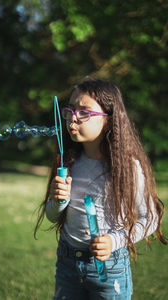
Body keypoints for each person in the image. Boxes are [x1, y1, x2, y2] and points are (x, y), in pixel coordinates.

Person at [34, 79, 167, 300]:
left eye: (84, 112)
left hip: (110, 269)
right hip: (68, 261)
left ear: (109, 119)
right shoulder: (69, 162)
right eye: (70, 110)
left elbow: (149, 218)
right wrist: (58, 202)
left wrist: (114, 241)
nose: (73, 117)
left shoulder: (127, 168)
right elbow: (51, 216)